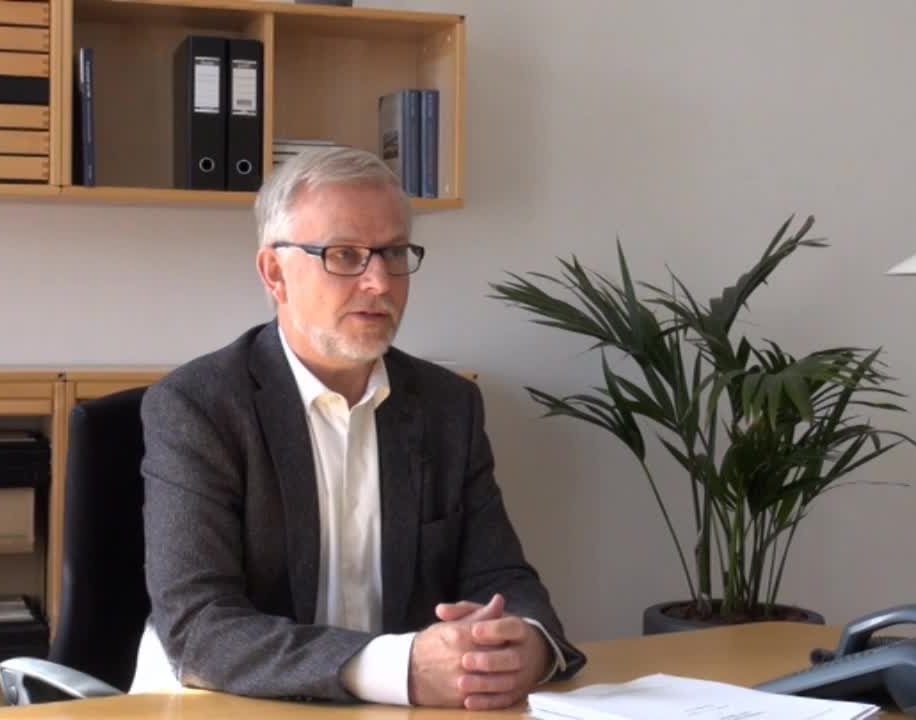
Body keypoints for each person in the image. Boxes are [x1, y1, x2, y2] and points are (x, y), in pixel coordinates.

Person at [130, 146, 585, 709]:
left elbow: (502, 578)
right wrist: (397, 668)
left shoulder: (449, 407)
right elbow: (199, 627)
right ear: (275, 273)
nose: (379, 281)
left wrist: (528, 647)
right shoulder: (197, 407)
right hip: (229, 705)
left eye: (393, 253)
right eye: (344, 255)